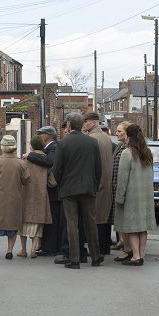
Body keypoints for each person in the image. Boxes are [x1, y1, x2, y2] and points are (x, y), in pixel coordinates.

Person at [52, 113, 104, 269]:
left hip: (69, 189)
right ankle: (95, 256)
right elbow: (98, 168)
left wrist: (62, 184)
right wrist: (94, 185)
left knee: (72, 224)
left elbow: (56, 170)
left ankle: (74, 259)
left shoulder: (63, 143)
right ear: (82, 125)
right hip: (88, 188)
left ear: (68, 124)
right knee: (90, 223)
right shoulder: (92, 142)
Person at [0, 135, 30, 259]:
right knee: (12, 224)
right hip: (14, 197)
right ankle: (9, 251)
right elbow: (26, 179)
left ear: (2, 147)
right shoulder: (21, 163)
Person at [114, 124, 156, 266]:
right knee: (142, 227)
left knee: (131, 227)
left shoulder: (127, 153)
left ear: (128, 136)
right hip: (146, 195)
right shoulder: (148, 152)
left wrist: (119, 197)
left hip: (131, 196)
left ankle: (136, 257)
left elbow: (122, 179)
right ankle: (141, 255)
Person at [23, 125, 61, 256]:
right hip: (47, 192)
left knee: (52, 221)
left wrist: (30, 155)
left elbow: (50, 161)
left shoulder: (53, 147)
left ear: (47, 135)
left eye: (40, 134)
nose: (39, 136)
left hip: (53, 192)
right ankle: (45, 245)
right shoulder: (48, 148)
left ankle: (50, 247)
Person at [83, 112, 114, 255]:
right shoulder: (106, 138)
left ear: (94, 123)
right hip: (106, 181)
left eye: (86, 121)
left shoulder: (92, 139)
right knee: (104, 217)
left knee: (95, 218)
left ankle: (98, 249)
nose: (84, 124)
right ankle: (104, 247)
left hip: (97, 182)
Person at [111, 121, 133, 262]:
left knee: (125, 221)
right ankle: (124, 245)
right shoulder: (120, 145)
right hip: (115, 187)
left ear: (127, 133)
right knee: (119, 220)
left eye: (119, 131)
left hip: (124, 189)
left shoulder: (129, 148)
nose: (116, 133)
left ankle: (128, 249)